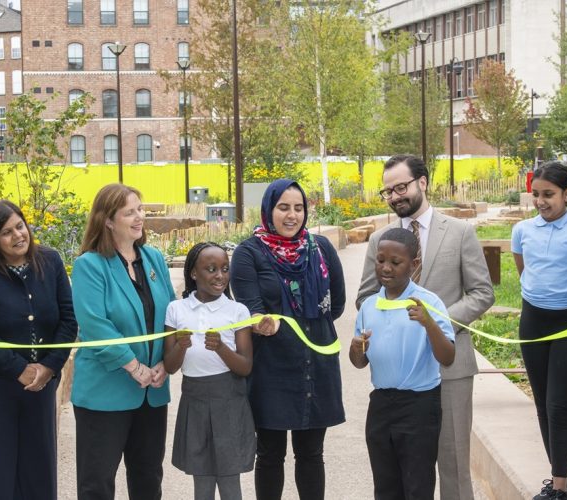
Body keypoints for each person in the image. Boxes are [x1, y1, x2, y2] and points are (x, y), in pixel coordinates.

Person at [355, 154, 493, 500]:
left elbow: (482, 292)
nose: (395, 196)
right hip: (401, 381)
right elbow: (365, 298)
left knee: (454, 460)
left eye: (401, 187)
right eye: (388, 192)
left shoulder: (459, 232)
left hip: (450, 366)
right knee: (404, 473)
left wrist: (436, 320)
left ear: (423, 182)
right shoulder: (380, 240)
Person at [232, 179, 346, 500]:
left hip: (316, 365)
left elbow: (335, 304)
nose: (292, 215)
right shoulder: (248, 253)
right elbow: (250, 309)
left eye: (298, 208)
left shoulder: (321, 248)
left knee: (312, 452)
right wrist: (260, 323)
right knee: (269, 453)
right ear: (269, 209)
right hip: (271, 366)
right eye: (283, 207)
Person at [0, 200, 77, 500]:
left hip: (39, 386)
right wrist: (18, 369)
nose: (18, 236)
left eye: (20, 226)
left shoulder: (50, 261)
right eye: (6, 232)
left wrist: (48, 368)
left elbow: (67, 321)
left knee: (37, 469)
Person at [71, 184, 176, 500]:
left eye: (140, 209)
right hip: (105, 392)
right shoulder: (90, 265)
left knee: (148, 479)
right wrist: (134, 366)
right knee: (97, 483)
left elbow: (172, 314)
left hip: (153, 391)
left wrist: (164, 364)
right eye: (129, 212)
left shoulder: (154, 258)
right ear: (107, 220)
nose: (139, 217)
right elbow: (94, 326)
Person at [509, 162, 567, 500]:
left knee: (560, 404)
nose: (541, 201)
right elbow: (524, 269)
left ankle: (561, 487)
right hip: (533, 319)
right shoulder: (522, 231)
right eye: (536, 195)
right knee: (542, 404)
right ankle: (558, 476)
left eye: (548, 195)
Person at [163, 243, 275, 500]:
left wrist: (221, 348)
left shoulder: (237, 311)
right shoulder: (176, 310)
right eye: (211, 269)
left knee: (229, 480)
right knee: (201, 479)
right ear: (193, 273)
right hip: (195, 400)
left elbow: (245, 366)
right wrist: (180, 346)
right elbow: (170, 366)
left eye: (225, 269)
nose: (220, 276)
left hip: (229, 401)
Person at [350, 228, 457, 500]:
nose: (386, 268)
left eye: (395, 263)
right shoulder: (369, 306)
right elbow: (359, 363)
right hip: (381, 405)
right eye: (380, 260)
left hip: (419, 406)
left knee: (417, 485)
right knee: (385, 486)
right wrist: (356, 349)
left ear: (414, 264)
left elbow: (447, 357)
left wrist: (428, 322)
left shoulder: (428, 303)